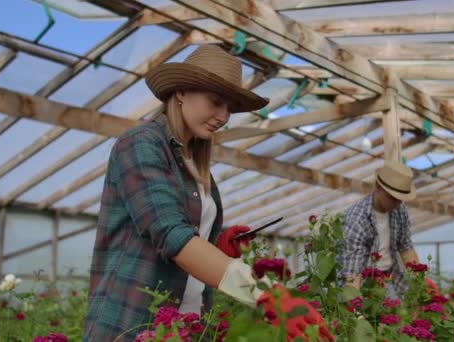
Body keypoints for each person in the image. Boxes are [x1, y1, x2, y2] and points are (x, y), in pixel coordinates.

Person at [82, 45, 330, 341]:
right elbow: (171, 235)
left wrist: (217, 247)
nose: (224, 116)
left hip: (185, 328)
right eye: (216, 102)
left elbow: (183, 243)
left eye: (230, 108)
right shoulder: (140, 144)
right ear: (181, 92)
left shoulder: (194, 163)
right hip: (133, 323)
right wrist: (266, 294)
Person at [336, 160, 428, 299]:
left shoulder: (399, 210)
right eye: (393, 198)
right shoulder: (357, 219)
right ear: (378, 187)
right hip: (362, 283)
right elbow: (351, 274)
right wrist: (355, 312)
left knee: (400, 316)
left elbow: (405, 247)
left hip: (390, 278)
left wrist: (420, 284)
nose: (398, 203)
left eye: (401, 199)